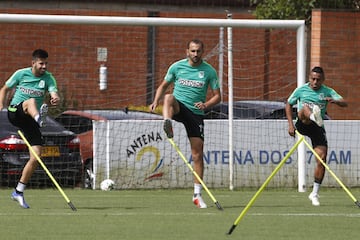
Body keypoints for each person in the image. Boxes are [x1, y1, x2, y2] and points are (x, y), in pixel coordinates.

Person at [150, 39, 221, 209]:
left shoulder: (209, 71)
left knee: (197, 154)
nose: (195, 54)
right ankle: (167, 122)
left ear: (202, 52)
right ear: (187, 51)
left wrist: (206, 105)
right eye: (193, 51)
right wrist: (155, 101)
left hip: (195, 113)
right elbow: (163, 85)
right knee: (168, 97)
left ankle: (197, 195)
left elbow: (218, 96)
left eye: (198, 51)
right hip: (178, 107)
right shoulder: (177, 67)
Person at [0, 49, 60, 208]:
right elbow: (4, 89)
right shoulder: (21, 74)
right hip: (15, 112)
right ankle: (40, 118)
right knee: (31, 101)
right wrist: (1, 104)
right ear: (33, 63)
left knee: (36, 156)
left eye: (46, 63)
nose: (44, 66)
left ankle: (18, 191)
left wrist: (55, 98)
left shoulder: (48, 78)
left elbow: (54, 93)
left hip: (30, 119)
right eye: (41, 63)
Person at [285, 66, 347, 206]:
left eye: (318, 80)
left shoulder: (327, 91)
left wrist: (335, 101)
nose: (315, 82)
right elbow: (288, 105)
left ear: (323, 80)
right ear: (309, 78)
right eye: (313, 79)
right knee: (304, 109)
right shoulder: (301, 90)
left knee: (322, 159)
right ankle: (314, 115)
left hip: (317, 127)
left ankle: (314, 193)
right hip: (302, 123)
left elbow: (345, 103)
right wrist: (290, 125)